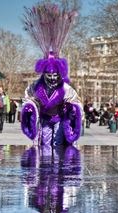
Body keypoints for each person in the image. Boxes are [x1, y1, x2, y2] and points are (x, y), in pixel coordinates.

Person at [21, 4, 82, 146]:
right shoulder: (36, 87)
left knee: (58, 143)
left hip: (60, 119)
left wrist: (71, 108)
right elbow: (29, 99)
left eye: (55, 75)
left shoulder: (65, 88)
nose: (53, 78)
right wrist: (30, 106)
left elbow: (75, 101)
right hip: (45, 119)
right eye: (49, 75)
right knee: (46, 143)